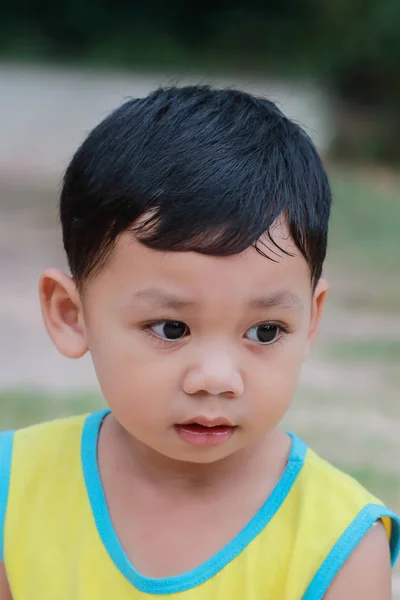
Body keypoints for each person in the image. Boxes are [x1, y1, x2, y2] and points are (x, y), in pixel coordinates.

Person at [0, 85, 398, 600]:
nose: (216, 378)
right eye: (171, 329)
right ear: (70, 314)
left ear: (311, 322)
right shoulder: (13, 492)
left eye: (265, 332)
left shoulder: (338, 546)